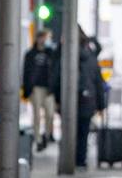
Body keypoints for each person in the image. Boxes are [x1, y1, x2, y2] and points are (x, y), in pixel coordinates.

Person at [55, 30, 108, 168]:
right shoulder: (91, 57)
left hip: (69, 99)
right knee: (83, 132)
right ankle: (81, 160)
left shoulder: (65, 56)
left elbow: (57, 76)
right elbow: (98, 81)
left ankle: (67, 158)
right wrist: (102, 105)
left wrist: (56, 98)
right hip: (88, 99)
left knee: (68, 130)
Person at [22, 30, 56, 151]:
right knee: (36, 115)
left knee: (50, 114)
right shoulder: (30, 54)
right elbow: (26, 72)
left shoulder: (51, 53)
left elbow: (55, 69)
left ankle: (46, 135)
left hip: (48, 88)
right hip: (36, 87)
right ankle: (38, 139)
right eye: (43, 38)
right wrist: (27, 89)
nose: (45, 40)